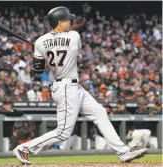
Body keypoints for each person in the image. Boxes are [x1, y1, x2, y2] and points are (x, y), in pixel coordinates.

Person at [13, 7, 147, 164]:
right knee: (63, 132)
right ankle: (24, 148)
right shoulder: (74, 36)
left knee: (99, 113)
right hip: (65, 88)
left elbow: (37, 71)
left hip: (72, 87)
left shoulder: (40, 42)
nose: (70, 21)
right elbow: (71, 51)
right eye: (67, 20)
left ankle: (123, 151)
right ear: (59, 22)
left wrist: (42, 53)